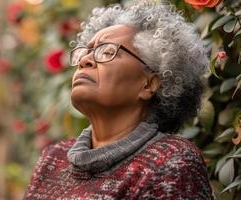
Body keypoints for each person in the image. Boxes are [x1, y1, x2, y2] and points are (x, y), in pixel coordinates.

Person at [24, 0, 213, 199]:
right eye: (84, 52)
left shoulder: (172, 161)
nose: (84, 60)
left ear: (148, 84)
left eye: (107, 52)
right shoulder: (53, 157)